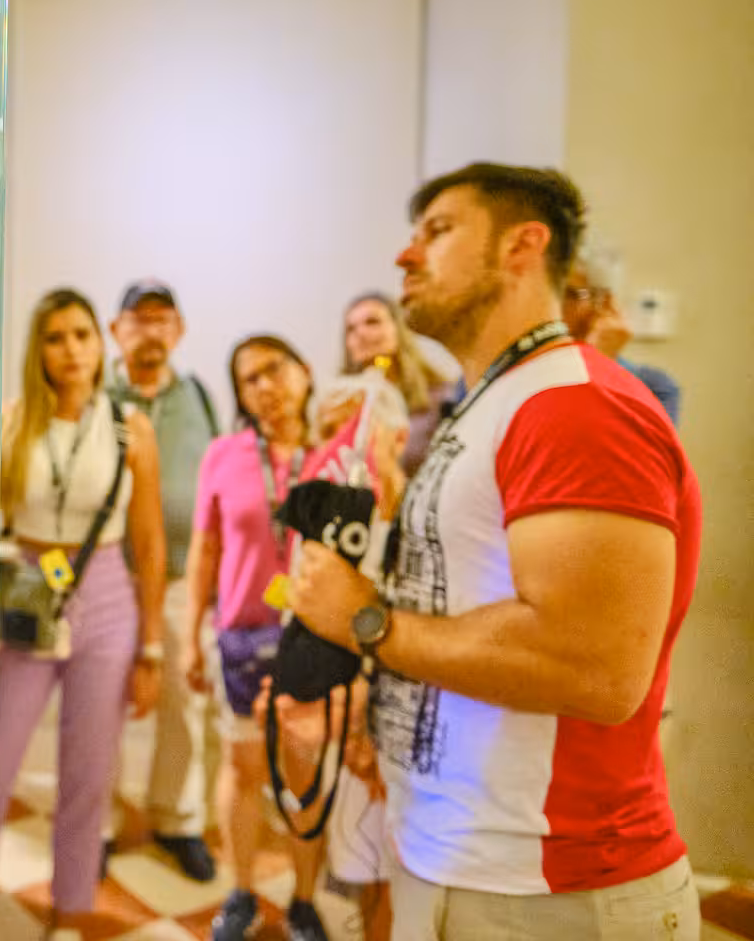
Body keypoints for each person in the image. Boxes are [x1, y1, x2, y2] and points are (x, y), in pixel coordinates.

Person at [289, 163, 700, 940]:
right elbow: (468, 603)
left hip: (551, 887)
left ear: (523, 246)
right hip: (457, 856)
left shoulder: (575, 406)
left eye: (437, 231)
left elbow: (596, 668)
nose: (405, 257)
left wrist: (367, 623)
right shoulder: (492, 404)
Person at [0, 288, 166, 938]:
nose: (70, 350)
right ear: (38, 350)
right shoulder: (17, 421)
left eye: (82, 335)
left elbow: (149, 545)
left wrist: (151, 648)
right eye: (55, 337)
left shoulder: (130, 428)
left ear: (101, 346)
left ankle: (71, 909)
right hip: (31, 592)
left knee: (89, 768)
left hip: (105, 597)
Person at [185, 334, 332, 941]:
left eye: (275, 369)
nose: (266, 386)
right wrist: (192, 630)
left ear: (305, 369)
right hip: (241, 638)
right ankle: (241, 892)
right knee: (242, 767)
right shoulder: (224, 453)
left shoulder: (337, 453)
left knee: (304, 773)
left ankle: (303, 900)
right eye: (250, 378)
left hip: (315, 640)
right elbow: (206, 547)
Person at [104, 279, 220, 882]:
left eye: (162, 319)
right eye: (138, 319)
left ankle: (178, 820)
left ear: (179, 331)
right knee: (100, 706)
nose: (151, 331)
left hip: (179, 580)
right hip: (105, 578)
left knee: (184, 701)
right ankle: (96, 822)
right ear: (115, 330)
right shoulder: (94, 396)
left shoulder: (200, 396)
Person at [335, 292, 457, 478]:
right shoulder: (338, 411)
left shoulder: (442, 397)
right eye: (351, 329)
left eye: (372, 322)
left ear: (398, 329)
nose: (360, 333)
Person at [563, 246, 682, 425]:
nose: (550, 305)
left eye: (568, 294)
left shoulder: (653, 387)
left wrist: (598, 367)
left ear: (603, 303)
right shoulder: (521, 371)